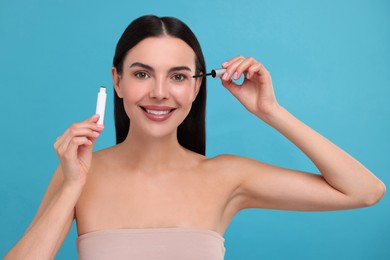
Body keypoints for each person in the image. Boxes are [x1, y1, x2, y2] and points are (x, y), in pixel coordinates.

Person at [5, 15, 386, 260]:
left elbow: (364, 191)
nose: (159, 92)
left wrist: (271, 111)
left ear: (197, 87)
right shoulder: (80, 175)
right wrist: (72, 187)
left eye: (177, 76)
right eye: (141, 74)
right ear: (117, 81)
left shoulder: (226, 177)